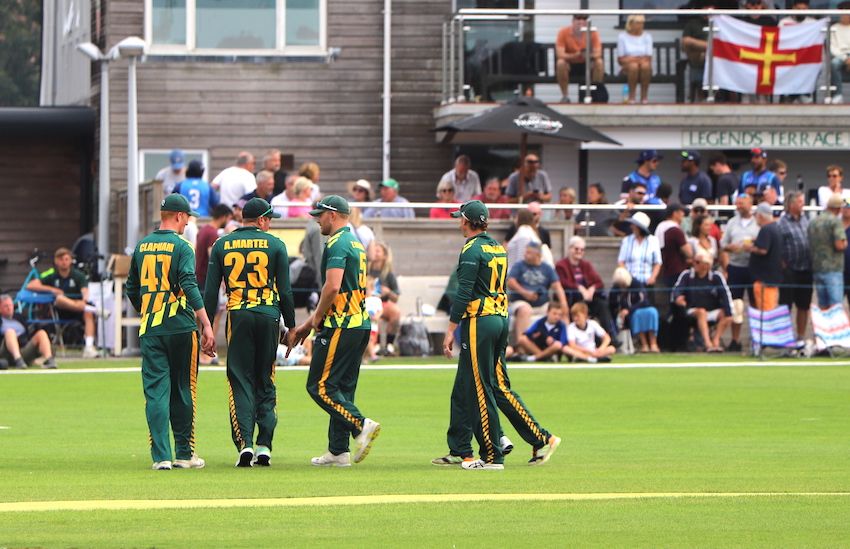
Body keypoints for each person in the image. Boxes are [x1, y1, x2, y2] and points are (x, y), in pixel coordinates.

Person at [439, 200, 561, 469]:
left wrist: (450, 329)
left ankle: (493, 454)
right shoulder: (497, 247)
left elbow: (464, 291)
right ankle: (539, 438)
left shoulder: (471, 249)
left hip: (479, 322)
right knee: (493, 385)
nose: (459, 222)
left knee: (480, 387)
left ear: (468, 221)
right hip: (500, 319)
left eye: (461, 218)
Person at [287, 195, 381, 468]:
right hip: (359, 323)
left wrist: (314, 320)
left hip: (341, 323)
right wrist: (309, 326)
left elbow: (331, 287)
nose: (317, 220)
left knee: (319, 386)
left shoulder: (338, 243)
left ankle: (360, 425)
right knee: (342, 388)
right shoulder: (355, 241)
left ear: (333, 215)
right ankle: (338, 451)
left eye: (320, 215)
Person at [125, 194, 216, 471]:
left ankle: (161, 457)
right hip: (181, 327)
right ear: (178, 216)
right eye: (187, 217)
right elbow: (189, 283)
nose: (188, 222)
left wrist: (148, 308)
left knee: (155, 392)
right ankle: (185, 454)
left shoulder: (141, 246)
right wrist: (207, 323)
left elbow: (131, 287)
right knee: (183, 390)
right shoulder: (182, 246)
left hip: (151, 329)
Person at [204, 197, 296, 468]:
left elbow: (210, 291)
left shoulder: (222, 244)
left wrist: (208, 327)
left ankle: (245, 443)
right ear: (263, 220)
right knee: (265, 379)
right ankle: (265, 444)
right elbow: (286, 292)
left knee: (240, 380)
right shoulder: (276, 245)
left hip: (238, 314)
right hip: (268, 315)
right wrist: (291, 327)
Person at [27, 247, 101, 358]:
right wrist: (52, 289)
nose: (64, 262)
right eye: (61, 259)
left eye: (67, 259)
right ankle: (87, 308)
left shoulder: (78, 275)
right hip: (60, 309)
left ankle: (89, 347)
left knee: (88, 313)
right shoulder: (51, 274)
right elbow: (31, 285)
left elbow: (85, 290)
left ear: (71, 260)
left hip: (78, 310)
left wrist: (84, 300)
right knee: (60, 298)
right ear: (56, 261)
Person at [671, 251, 734, 353]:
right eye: (694, 261)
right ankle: (707, 344)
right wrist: (678, 298)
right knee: (701, 312)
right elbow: (677, 290)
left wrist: (729, 311)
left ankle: (716, 340)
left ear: (706, 265)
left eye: (697, 262)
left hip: (712, 310)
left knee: (728, 316)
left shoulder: (716, 277)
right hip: (692, 310)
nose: (694, 264)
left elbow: (725, 294)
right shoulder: (687, 275)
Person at [720, 194, 759, 351]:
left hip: (753, 266)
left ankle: (756, 339)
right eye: (737, 203)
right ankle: (735, 340)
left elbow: (763, 240)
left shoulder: (757, 222)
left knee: (755, 304)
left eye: (742, 203)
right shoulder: (732, 223)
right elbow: (723, 244)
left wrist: (753, 245)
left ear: (750, 204)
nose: (739, 206)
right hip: (735, 267)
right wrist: (731, 247)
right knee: (736, 305)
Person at [507, 242, 568, 343]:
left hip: (542, 304)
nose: (525, 254)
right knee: (525, 310)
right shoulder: (519, 265)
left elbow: (557, 286)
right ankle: (522, 347)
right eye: (526, 252)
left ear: (538, 255)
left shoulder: (547, 268)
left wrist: (564, 304)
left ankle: (561, 345)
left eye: (529, 253)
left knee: (558, 311)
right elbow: (511, 282)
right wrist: (526, 293)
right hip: (521, 302)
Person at [194, 204, 232, 364]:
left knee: (200, 317)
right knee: (213, 316)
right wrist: (222, 279)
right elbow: (213, 258)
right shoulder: (212, 233)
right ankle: (208, 352)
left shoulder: (203, 229)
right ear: (223, 216)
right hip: (207, 280)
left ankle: (198, 351)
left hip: (199, 278)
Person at [555, 236, 615, 335]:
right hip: (572, 300)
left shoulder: (586, 265)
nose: (579, 251)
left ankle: (611, 337)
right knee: (577, 300)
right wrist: (579, 288)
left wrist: (592, 288)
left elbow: (599, 282)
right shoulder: (561, 265)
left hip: (588, 299)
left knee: (602, 305)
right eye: (576, 249)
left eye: (582, 250)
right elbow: (562, 283)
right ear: (570, 249)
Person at [776, 191, 812, 338]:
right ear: (791, 205)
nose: (802, 204)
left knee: (804, 305)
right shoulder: (781, 223)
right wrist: (783, 265)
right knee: (786, 305)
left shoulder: (806, 220)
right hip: (790, 270)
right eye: (799, 202)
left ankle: (801, 336)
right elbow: (777, 246)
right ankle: (786, 337)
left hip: (806, 269)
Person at [808, 194, 849, 309]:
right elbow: (839, 245)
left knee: (823, 306)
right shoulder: (835, 222)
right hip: (833, 269)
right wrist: (845, 243)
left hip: (817, 269)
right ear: (838, 208)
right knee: (835, 307)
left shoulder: (814, 221)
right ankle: (834, 327)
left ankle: (824, 327)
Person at [609, 267, 659, 353]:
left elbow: (644, 300)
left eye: (623, 284)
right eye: (620, 285)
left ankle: (653, 343)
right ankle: (644, 344)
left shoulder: (636, 284)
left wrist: (629, 310)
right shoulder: (615, 289)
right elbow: (612, 304)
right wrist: (620, 311)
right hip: (629, 314)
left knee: (652, 312)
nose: (622, 286)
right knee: (637, 315)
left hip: (639, 308)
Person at [555, 13, 604, 103]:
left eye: (584, 20)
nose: (581, 22)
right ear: (573, 21)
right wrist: (576, 55)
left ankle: (596, 93)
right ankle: (565, 96)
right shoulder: (563, 32)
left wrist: (588, 55)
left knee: (599, 62)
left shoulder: (593, 32)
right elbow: (560, 54)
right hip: (570, 65)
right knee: (560, 63)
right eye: (578, 20)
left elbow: (598, 53)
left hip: (587, 64)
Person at [0, 293, 56, 369]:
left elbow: (28, 334)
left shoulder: (19, 317)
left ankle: (49, 359)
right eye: (6, 306)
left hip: (23, 348)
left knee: (41, 333)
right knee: (10, 332)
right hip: (5, 351)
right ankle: (18, 361)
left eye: (11, 305)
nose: (9, 308)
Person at [745, 202, 783, 311]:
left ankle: (766, 328)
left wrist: (749, 248)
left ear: (760, 216)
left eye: (756, 216)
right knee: (769, 307)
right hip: (772, 278)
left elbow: (763, 250)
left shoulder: (765, 229)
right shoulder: (775, 227)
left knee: (766, 311)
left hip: (764, 280)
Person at [369, 241, 401, 355]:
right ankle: (374, 345)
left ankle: (389, 345)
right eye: (374, 250)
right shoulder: (366, 270)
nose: (375, 253)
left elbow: (396, 297)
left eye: (378, 251)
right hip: (367, 302)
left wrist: (388, 292)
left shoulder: (388, 274)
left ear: (384, 255)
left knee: (396, 312)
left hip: (383, 303)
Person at [617, 211, 661, 288]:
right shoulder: (626, 240)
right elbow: (621, 261)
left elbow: (657, 263)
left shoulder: (653, 241)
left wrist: (652, 278)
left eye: (634, 225)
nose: (631, 226)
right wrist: (627, 277)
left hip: (647, 283)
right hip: (629, 283)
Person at [655, 203, 692, 292]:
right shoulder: (675, 230)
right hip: (677, 270)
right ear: (675, 213)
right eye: (681, 212)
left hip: (665, 269)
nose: (683, 215)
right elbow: (689, 253)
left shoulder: (660, 227)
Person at [617, 14, 653, 104]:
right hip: (627, 67)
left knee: (645, 66)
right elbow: (621, 59)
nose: (641, 25)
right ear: (631, 24)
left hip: (643, 64)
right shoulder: (622, 37)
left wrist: (631, 58)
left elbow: (648, 57)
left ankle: (644, 97)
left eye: (642, 23)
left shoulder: (647, 36)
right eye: (638, 23)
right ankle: (631, 97)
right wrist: (638, 59)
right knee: (633, 67)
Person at [682, 4, 713, 102]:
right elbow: (685, 43)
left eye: (710, 8)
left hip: (718, 57)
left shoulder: (722, 23)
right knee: (702, 56)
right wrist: (707, 46)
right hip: (698, 56)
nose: (708, 10)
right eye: (705, 8)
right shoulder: (692, 23)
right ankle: (701, 97)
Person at [829, 2, 850, 104]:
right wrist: (845, 58)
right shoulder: (833, 28)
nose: (846, 16)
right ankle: (838, 94)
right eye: (844, 13)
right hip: (840, 56)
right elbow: (832, 47)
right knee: (834, 63)